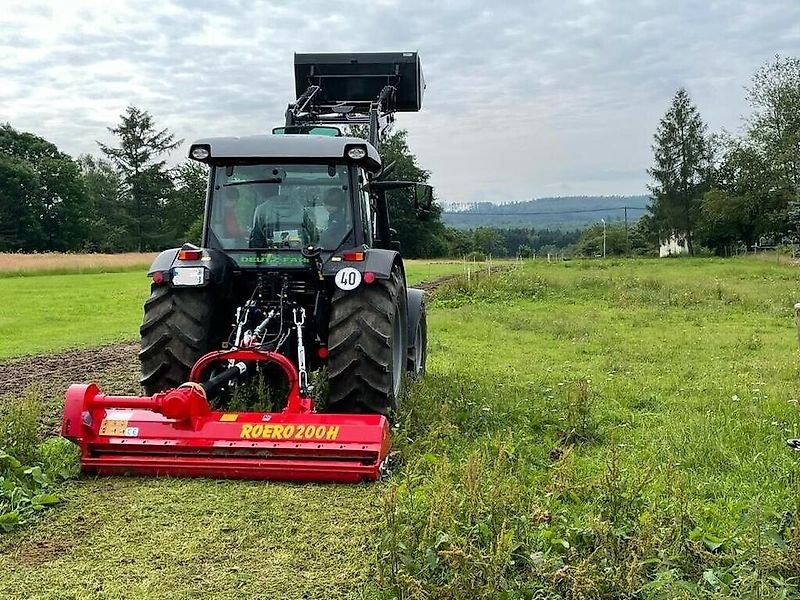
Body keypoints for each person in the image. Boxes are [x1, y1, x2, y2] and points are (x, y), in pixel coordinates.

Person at [249, 192, 317, 248]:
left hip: (270, 260)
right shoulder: (302, 210)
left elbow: (256, 243)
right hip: (302, 259)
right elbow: (314, 238)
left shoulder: (261, 211)